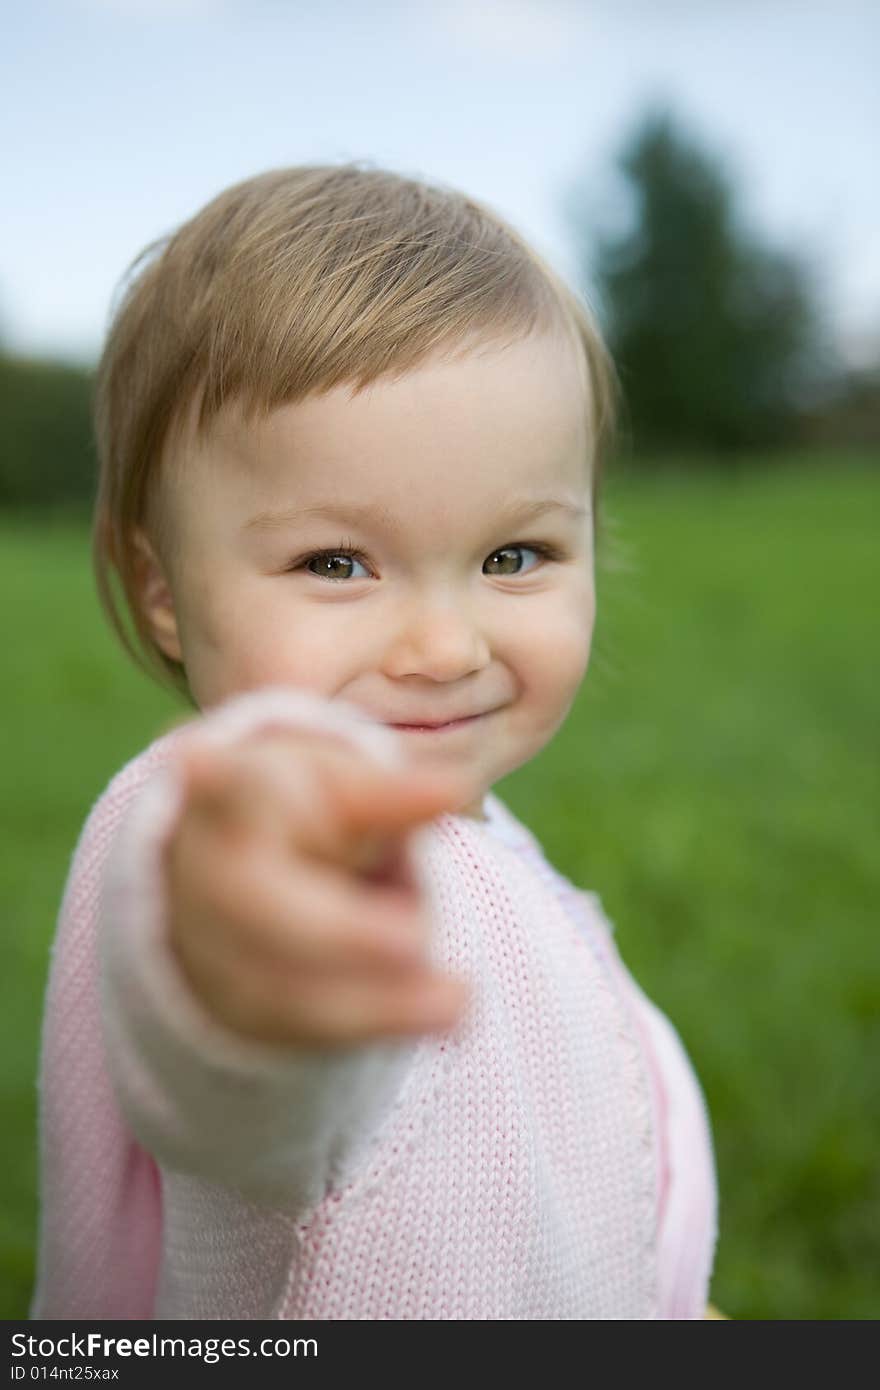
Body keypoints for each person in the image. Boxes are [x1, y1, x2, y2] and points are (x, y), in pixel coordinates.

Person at [31, 164, 717, 1320]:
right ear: (160, 589)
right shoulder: (219, 834)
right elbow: (229, 1071)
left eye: (515, 556)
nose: (446, 647)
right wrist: (247, 972)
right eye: (335, 563)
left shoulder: (473, 835)